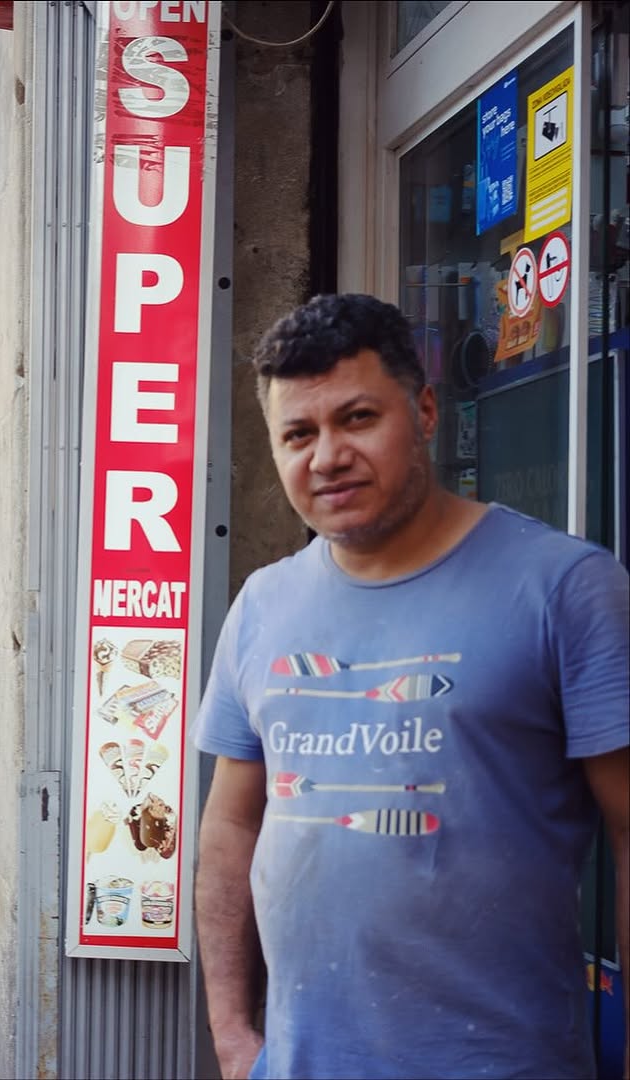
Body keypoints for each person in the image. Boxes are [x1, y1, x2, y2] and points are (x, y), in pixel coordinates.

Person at [192, 293, 629, 1080]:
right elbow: (230, 828)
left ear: (425, 411)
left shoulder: (564, 588)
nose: (327, 456)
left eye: (357, 418)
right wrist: (230, 1034)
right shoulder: (262, 604)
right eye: (298, 434)